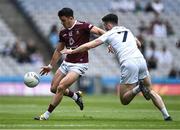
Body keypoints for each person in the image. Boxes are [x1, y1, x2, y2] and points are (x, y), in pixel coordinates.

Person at [62, 13, 172, 121]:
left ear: (108, 25)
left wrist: (72, 51)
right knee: (150, 90)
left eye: (104, 25)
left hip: (129, 63)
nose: (104, 27)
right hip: (141, 60)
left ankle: (138, 88)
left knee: (124, 100)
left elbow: (89, 45)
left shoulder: (109, 34)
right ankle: (166, 115)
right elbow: (139, 44)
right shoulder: (127, 30)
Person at [34, 8, 105, 120]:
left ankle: (46, 115)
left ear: (71, 18)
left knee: (61, 87)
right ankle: (75, 96)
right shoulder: (63, 32)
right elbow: (58, 50)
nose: (62, 23)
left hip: (79, 64)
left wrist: (110, 42)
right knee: (53, 89)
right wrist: (50, 66)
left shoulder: (83, 26)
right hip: (67, 62)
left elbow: (101, 32)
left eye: (63, 20)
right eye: (61, 21)